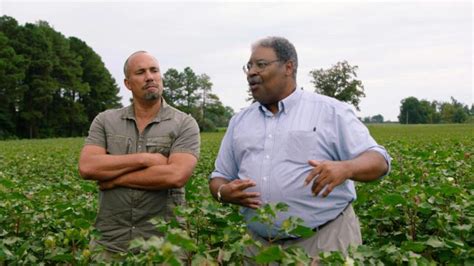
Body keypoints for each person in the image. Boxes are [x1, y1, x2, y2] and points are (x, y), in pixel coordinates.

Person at [208, 37, 391, 261]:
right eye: (249, 66)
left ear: (288, 67)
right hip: (259, 247)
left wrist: (346, 168)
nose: (251, 72)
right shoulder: (240, 121)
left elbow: (379, 160)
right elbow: (219, 176)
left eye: (261, 65)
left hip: (324, 242)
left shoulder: (330, 111)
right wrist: (222, 193)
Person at [78, 51, 200, 256]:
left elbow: (176, 175)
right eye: (141, 72)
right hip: (110, 241)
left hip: (166, 245)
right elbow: (88, 166)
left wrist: (115, 180)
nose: (150, 77)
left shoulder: (184, 123)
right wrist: (146, 159)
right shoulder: (105, 121)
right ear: (128, 83)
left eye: (154, 70)